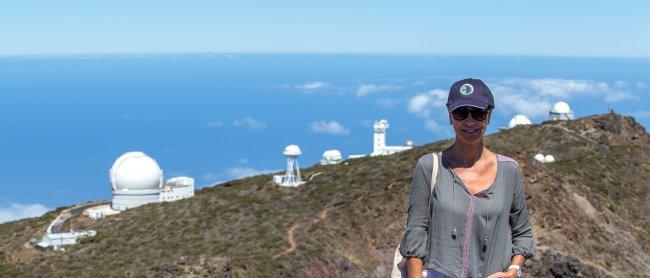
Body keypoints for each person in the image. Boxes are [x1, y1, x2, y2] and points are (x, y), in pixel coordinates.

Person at [399, 78, 534, 278]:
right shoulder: (429, 166)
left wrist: (514, 270)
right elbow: (416, 232)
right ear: (450, 115)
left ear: (489, 116)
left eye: (478, 113)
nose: (469, 122)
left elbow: (523, 233)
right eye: (461, 113)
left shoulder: (509, 170)